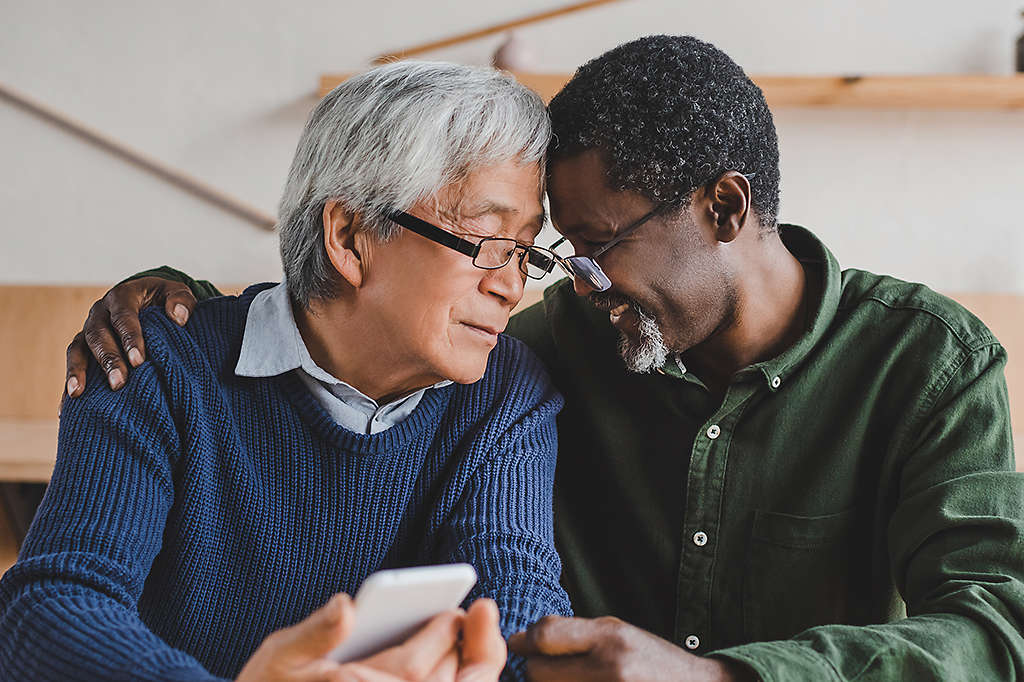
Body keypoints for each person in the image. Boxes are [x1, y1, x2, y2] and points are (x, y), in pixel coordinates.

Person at [60, 35, 1024, 681]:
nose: (548, 285)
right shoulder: (539, 347)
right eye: (518, 249)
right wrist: (163, 299)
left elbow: (997, 627)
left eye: (577, 249)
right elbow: (60, 602)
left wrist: (719, 677)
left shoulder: (926, 361)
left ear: (725, 210)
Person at [0, 61, 574, 681]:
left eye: (524, 250)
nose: (511, 285)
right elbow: (51, 607)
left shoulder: (506, 392)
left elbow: (520, 600)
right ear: (350, 237)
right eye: (487, 241)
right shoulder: (155, 362)